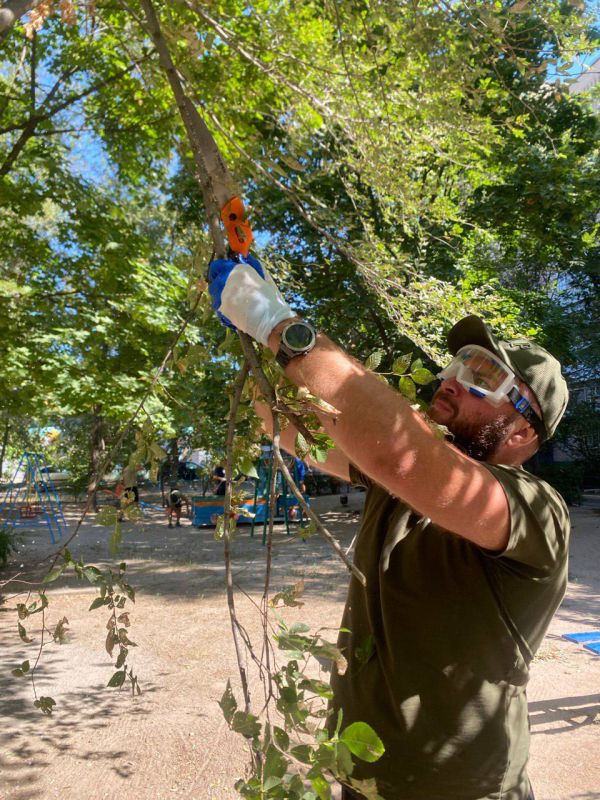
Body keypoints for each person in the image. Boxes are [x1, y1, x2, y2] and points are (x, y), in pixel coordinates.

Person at [208, 254, 570, 800]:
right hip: (357, 775)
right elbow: (285, 427)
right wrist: (254, 335)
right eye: (457, 365)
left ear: (522, 432)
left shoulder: (537, 509)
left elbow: (403, 455)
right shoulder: (395, 481)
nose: (453, 380)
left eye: (483, 377)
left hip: (460, 791)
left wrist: (277, 323)